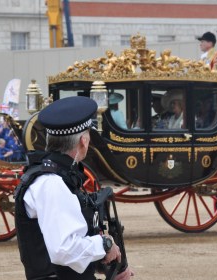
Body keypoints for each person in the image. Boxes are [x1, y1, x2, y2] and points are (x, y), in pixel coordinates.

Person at [15, 96, 133, 280]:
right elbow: (63, 249)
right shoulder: (51, 183)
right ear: (83, 141)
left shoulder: (59, 178)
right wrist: (105, 245)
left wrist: (103, 264)